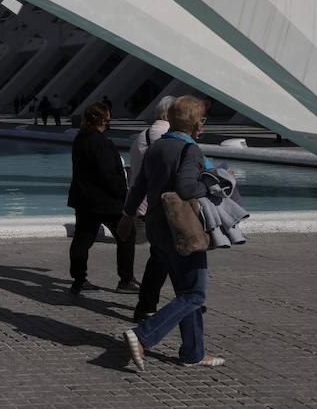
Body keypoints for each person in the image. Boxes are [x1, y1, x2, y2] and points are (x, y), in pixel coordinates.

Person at [118, 96, 224, 370]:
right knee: (195, 294)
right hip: (183, 230)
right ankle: (142, 335)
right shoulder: (190, 150)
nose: (203, 125)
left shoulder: (158, 146)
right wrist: (214, 186)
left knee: (185, 292)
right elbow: (187, 188)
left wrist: (128, 215)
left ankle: (193, 352)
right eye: (202, 119)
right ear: (196, 123)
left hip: (157, 227)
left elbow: (138, 185)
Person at [66, 102, 136, 295]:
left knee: (82, 238)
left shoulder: (80, 138)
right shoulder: (101, 142)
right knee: (126, 235)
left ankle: (79, 279)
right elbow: (109, 174)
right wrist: (123, 193)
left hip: (84, 199)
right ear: (105, 118)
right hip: (105, 202)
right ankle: (126, 279)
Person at [128, 96, 175, 321]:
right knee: (164, 257)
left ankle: (149, 304)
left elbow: (137, 177)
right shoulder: (167, 137)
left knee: (162, 256)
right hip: (163, 205)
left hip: (145, 203)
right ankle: (151, 305)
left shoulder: (142, 135)